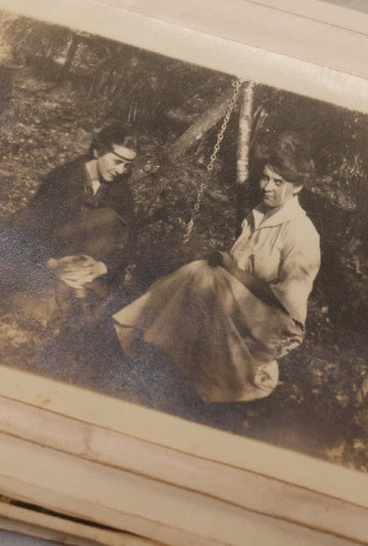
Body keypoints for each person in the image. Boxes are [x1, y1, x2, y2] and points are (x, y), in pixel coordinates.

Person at [112, 132, 321, 404]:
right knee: (199, 275)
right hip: (240, 305)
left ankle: (139, 334)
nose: (267, 187)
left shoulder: (301, 232)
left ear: (297, 187)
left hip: (274, 324)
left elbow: (285, 302)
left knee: (203, 275)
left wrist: (227, 266)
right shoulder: (257, 214)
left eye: (278, 182)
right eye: (265, 177)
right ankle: (156, 355)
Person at [4, 123, 141, 310]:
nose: (121, 170)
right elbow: (31, 228)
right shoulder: (62, 179)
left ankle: (81, 296)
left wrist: (102, 266)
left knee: (108, 218)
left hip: (90, 267)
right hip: (54, 259)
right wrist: (53, 263)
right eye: (117, 161)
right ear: (98, 152)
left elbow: (129, 237)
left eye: (127, 165)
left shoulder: (121, 190)